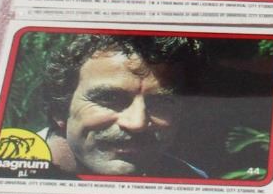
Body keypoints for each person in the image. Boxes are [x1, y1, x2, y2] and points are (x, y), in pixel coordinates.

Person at [39, 33, 206, 179]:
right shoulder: (22, 172)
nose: (137, 124)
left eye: (162, 103)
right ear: (59, 110)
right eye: (109, 98)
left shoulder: (192, 181)